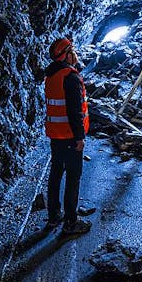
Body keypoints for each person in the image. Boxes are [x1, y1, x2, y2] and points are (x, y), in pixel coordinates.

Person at [42, 37, 92, 235]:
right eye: (72, 50)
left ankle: (54, 216)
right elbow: (74, 111)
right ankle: (71, 222)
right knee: (73, 177)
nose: (76, 53)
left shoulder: (51, 75)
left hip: (56, 135)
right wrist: (79, 137)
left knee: (56, 173)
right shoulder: (70, 76)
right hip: (70, 136)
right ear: (66, 54)